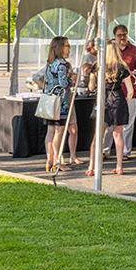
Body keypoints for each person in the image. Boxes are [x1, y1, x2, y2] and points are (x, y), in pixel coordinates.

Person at [87, 40, 134, 176]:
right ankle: (119, 166)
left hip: (102, 100)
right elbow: (130, 91)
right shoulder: (122, 67)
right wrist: (124, 102)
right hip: (118, 100)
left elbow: (91, 87)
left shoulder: (97, 66)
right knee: (118, 134)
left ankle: (91, 166)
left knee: (98, 135)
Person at [103, 24, 136, 161]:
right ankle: (105, 151)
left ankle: (125, 152)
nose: (122, 37)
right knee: (108, 125)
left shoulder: (135, 51)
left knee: (127, 125)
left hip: (129, 93)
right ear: (114, 36)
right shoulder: (108, 50)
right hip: (110, 95)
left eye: (124, 34)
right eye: (120, 35)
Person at [42, 36, 80, 172]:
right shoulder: (62, 64)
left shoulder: (50, 63)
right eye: (67, 45)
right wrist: (72, 79)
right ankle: (58, 161)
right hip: (60, 101)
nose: (69, 48)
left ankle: (49, 159)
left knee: (50, 131)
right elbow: (63, 83)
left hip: (49, 100)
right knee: (59, 131)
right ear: (60, 47)